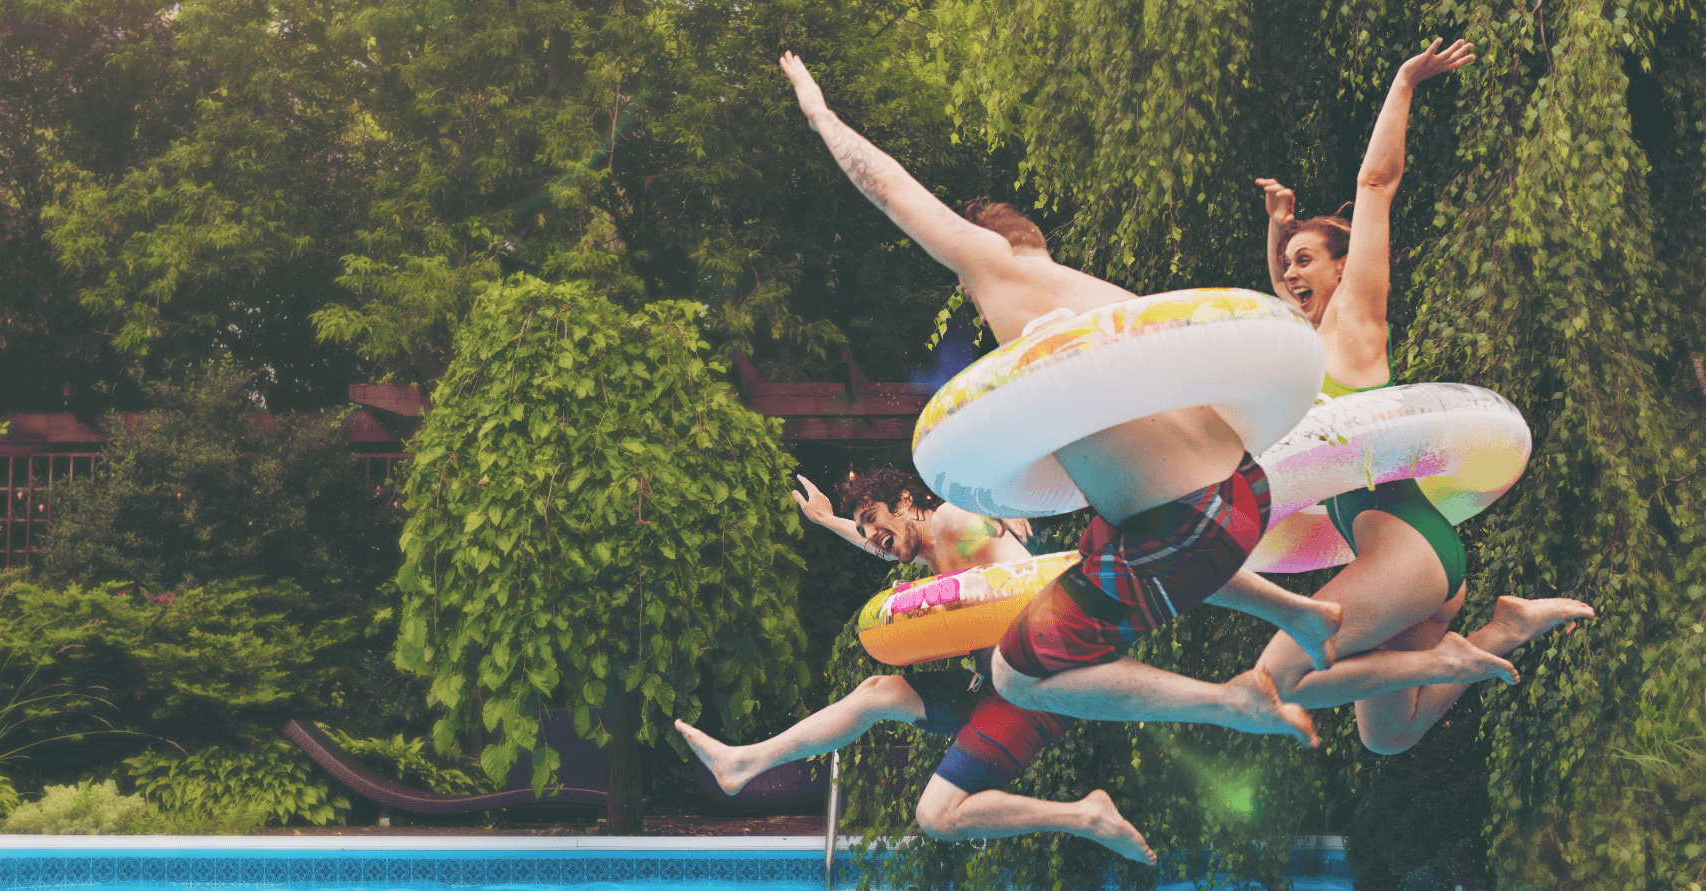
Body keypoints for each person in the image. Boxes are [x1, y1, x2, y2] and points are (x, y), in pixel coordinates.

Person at [779, 51, 1325, 745]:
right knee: (1100, 540)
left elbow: (895, 193)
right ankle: (1301, 616)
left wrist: (819, 114)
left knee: (1017, 675)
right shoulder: (1101, 306)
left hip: (1185, 525)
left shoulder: (1001, 277)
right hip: (1244, 494)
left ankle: (1230, 700)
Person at [1223, 38, 1595, 753]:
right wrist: (1278, 232)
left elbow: (1375, 185)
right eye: (1287, 266)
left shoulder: (1356, 320)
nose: (1290, 275)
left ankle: (1445, 656)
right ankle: (1500, 628)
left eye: (1307, 261)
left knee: (1273, 682)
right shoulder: (1310, 349)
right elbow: (1281, 289)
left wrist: (1403, 83)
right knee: (1390, 733)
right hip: (1412, 560)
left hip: (1408, 556)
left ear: (1343, 266)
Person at [678, 467, 1155, 863]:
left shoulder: (953, 522)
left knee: (938, 816)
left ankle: (1087, 816)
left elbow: (974, 512)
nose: (871, 537)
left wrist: (997, 503)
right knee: (877, 692)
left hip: (1036, 688)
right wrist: (827, 521)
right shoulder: (928, 555)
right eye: (864, 529)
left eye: (872, 518)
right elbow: (881, 539)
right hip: (995, 685)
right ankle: (742, 762)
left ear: (905, 500)